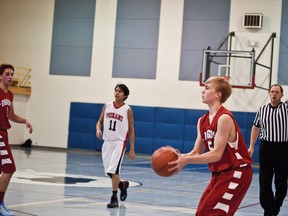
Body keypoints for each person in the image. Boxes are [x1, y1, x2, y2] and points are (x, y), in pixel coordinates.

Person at [169, 76, 253, 215]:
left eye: (207, 88)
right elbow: (196, 151)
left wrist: (187, 160)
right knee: (201, 213)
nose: (202, 91)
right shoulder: (202, 120)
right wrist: (180, 156)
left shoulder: (224, 118)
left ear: (218, 94)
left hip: (236, 172)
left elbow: (216, 154)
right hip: (219, 174)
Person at [248, 84, 288, 216]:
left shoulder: (286, 107)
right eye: (272, 91)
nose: (274, 94)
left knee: (280, 182)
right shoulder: (262, 109)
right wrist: (252, 146)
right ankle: (269, 210)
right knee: (264, 181)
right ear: (269, 94)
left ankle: (274, 208)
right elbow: (255, 127)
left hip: (283, 148)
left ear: (282, 95)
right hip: (266, 148)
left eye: (277, 92)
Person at [0, 64, 33, 216]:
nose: (11, 76)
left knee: (6, 169)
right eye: (7, 74)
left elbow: (11, 116)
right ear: (1, 76)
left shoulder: (10, 95)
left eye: (12, 74)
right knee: (9, 169)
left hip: (4, 133)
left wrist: (25, 120)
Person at [96, 83, 135, 208]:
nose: (117, 93)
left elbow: (131, 129)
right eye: (116, 91)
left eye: (120, 91)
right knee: (108, 172)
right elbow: (100, 121)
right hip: (107, 142)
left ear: (125, 95)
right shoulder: (107, 106)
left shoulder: (127, 109)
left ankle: (114, 198)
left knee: (114, 170)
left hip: (119, 142)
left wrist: (132, 148)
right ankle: (122, 185)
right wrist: (98, 129)